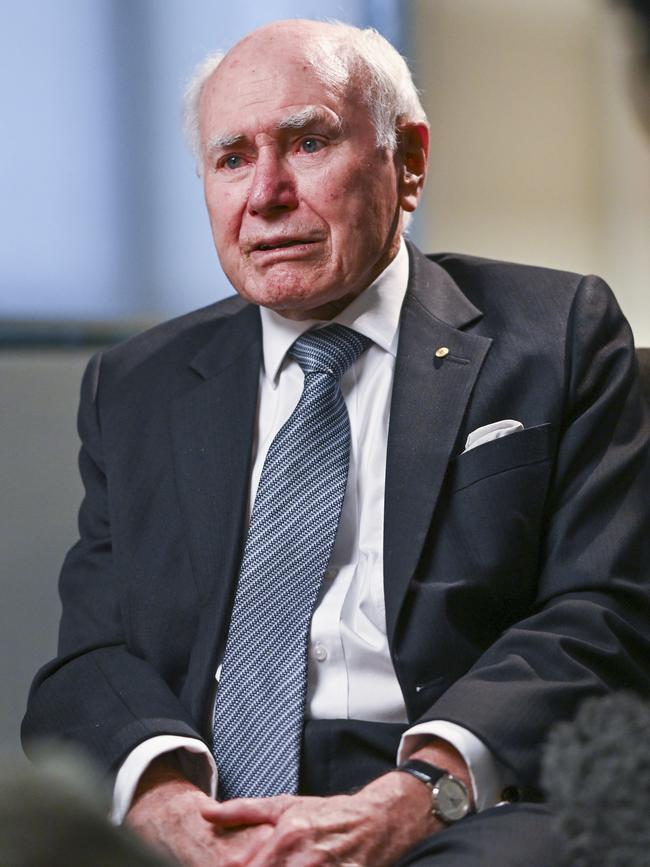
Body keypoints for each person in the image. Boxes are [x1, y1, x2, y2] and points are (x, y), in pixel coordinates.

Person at [21, 18, 650, 867]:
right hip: (210, 793)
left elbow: (603, 608)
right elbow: (93, 652)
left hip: (459, 792)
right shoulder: (136, 385)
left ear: (410, 160)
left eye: (308, 142)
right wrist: (166, 802)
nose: (266, 194)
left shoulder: (557, 335)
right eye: (232, 158)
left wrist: (428, 788)